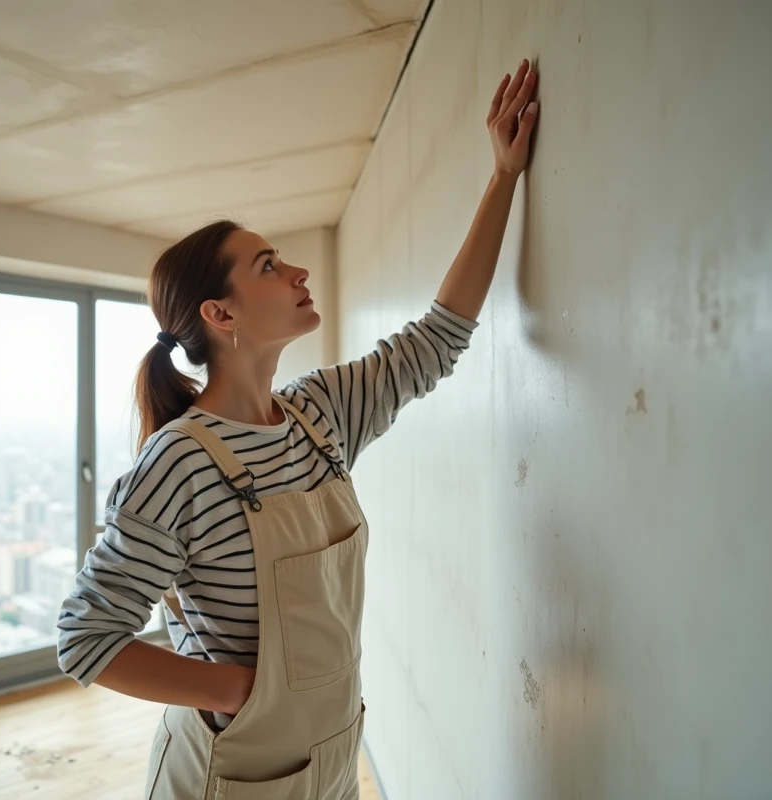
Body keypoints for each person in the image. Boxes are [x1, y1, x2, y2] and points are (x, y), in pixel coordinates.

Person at [58, 59, 539, 800]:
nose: (298, 273)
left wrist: (503, 176)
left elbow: (438, 338)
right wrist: (237, 692)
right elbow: (87, 640)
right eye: (269, 266)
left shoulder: (320, 417)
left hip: (332, 760)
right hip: (235, 772)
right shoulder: (178, 464)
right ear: (221, 316)